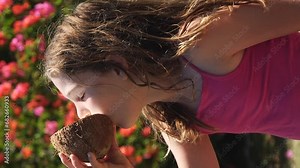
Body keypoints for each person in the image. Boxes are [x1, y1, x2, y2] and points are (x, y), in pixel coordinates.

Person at [43, 0, 300, 167]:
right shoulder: (170, 115)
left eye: (80, 95)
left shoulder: (203, 42)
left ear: (116, 65)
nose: (79, 115)